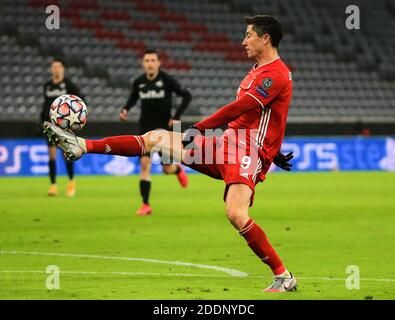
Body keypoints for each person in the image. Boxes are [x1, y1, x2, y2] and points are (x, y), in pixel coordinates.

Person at [43, 15, 296, 292]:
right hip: (225, 142)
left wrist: (201, 128)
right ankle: (83, 146)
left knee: (236, 214)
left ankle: (283, 276)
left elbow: (241, 108)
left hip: (246, 149)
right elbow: (267, 117)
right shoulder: (256, 69)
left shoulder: (275, 73)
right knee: (155, 138)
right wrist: (274, 148)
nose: (243, 40)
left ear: (266, 38)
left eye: (249, 35)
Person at [119, 49, 192, 216]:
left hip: (164, 131)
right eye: (147, 61)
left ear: (158, 63)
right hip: (145, 129)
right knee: (145, 165)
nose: (150, 63)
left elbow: (187, 96)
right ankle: (145, 204)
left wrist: (176, 116)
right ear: (143, 64)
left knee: (167, 169)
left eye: (153, 60)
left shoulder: (167, 80)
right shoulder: (139, 82)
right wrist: (125, 109)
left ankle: (177, 170)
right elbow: (132, 98)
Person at [40, 59, 83, 197]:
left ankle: (71, 182)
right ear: (51, 69)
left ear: (63, 69)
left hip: (64, 127)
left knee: (67, 155)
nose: (56, 69)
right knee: (51, 155)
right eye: (54, 67)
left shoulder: (69, 85)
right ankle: (53, 185)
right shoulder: (47, 86)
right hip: (50, 124)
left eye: (59, 67)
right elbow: (46, 104)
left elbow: (80, 102)